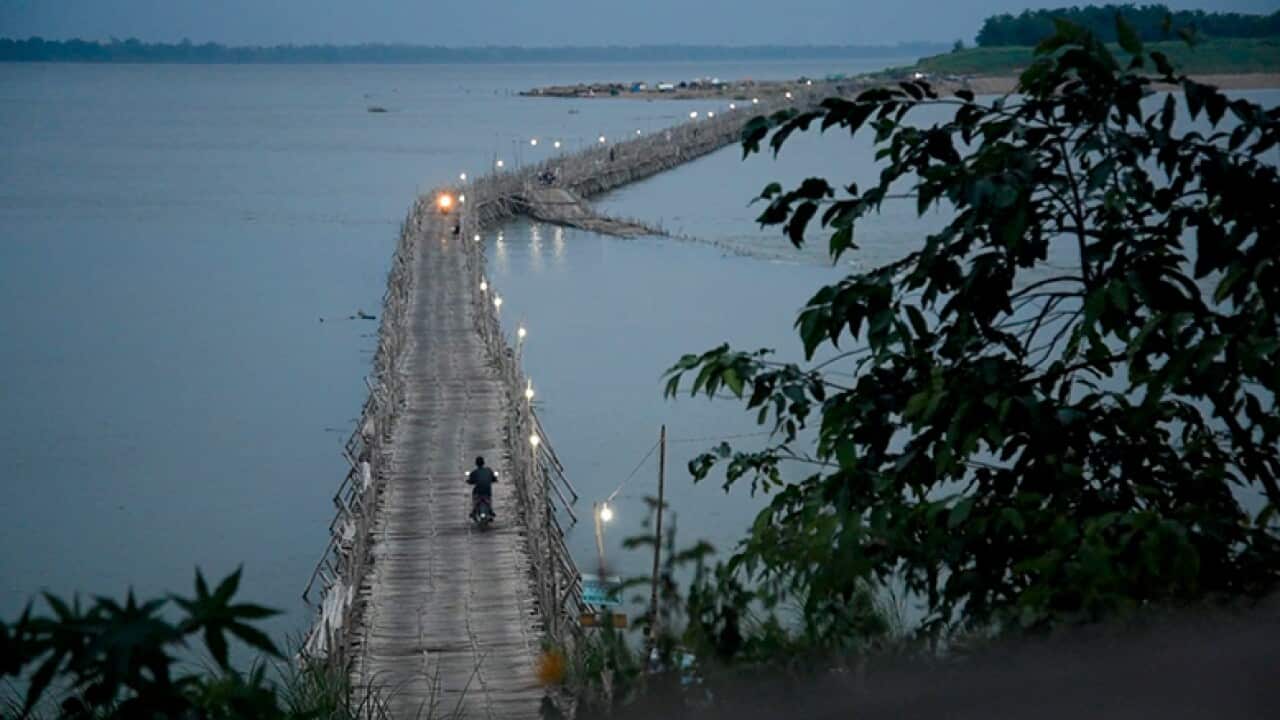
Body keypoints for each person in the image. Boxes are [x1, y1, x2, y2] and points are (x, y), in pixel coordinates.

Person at [467, 456, 497, 520]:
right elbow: (494, 479)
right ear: (483, 463)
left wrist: (469, 481)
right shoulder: (489, 470)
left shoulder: (474, 472)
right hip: (487, 491)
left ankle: (474, 510)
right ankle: (490, 510)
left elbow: (470, 481)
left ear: (476, 463)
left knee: (475, 498)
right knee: (488, 499)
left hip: (478, 492)